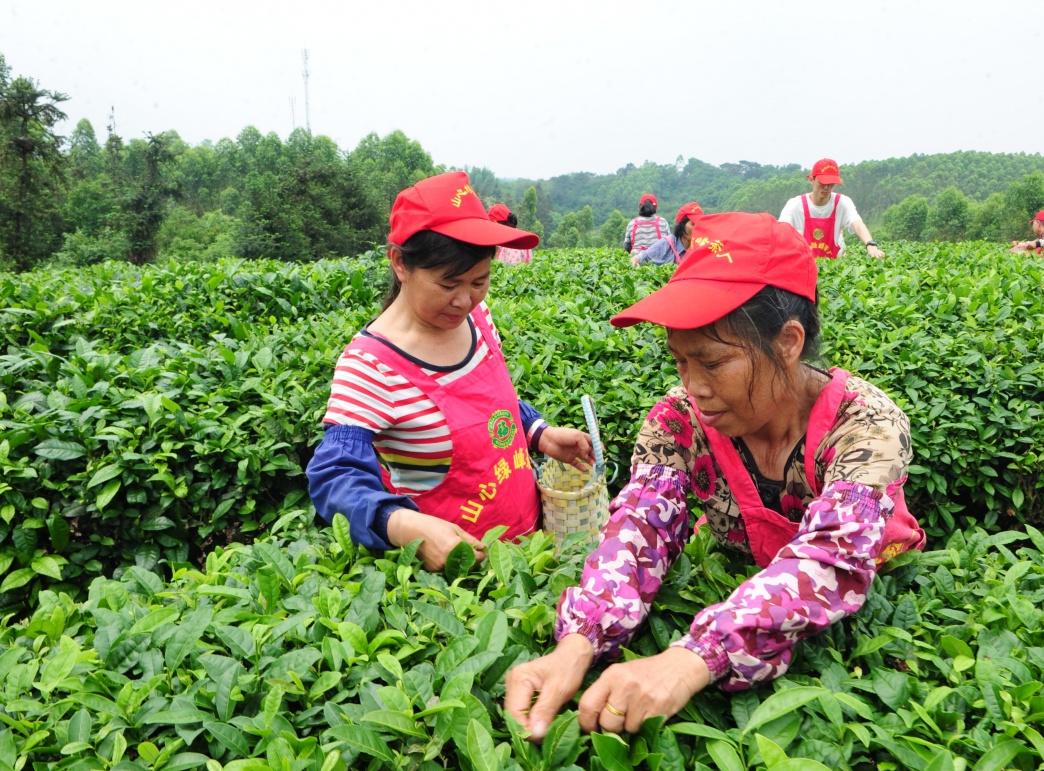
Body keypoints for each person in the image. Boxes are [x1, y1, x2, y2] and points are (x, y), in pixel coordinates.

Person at [505, 212, 924, 741]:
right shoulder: (678, 420)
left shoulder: (867, 424)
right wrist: (579, 641)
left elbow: (831, 559)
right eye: (681, 362)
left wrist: (690, 659)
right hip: (741, 579)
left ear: (788, 342)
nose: (694, 387)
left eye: (713, 362)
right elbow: (639, 526)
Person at [306, 172, 593, 571]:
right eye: (448, 284)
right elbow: (335, 477)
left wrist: (538, 433)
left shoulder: (479, 320)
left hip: (531, 552)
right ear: (400, 263)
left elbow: (490, 404)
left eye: (479, 281)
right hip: (459, 577)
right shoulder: (370, 366)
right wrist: (403, 525)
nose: (464, 300)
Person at [779, 158, 884, 260]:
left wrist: (871, 244)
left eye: (831, 183)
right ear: (811, 180)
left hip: (832, 266)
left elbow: (857, 223)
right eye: (822, 182)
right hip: (803, 265)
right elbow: (780, 230)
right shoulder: (795, 205)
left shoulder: (842, 202)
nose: (827, 187)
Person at [630, 202, 704, 266]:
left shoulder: (703, 247)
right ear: (682, 225)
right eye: (693, 224)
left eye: (699, 224)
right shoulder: (666, 244)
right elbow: (636, 259)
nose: (697, 227)